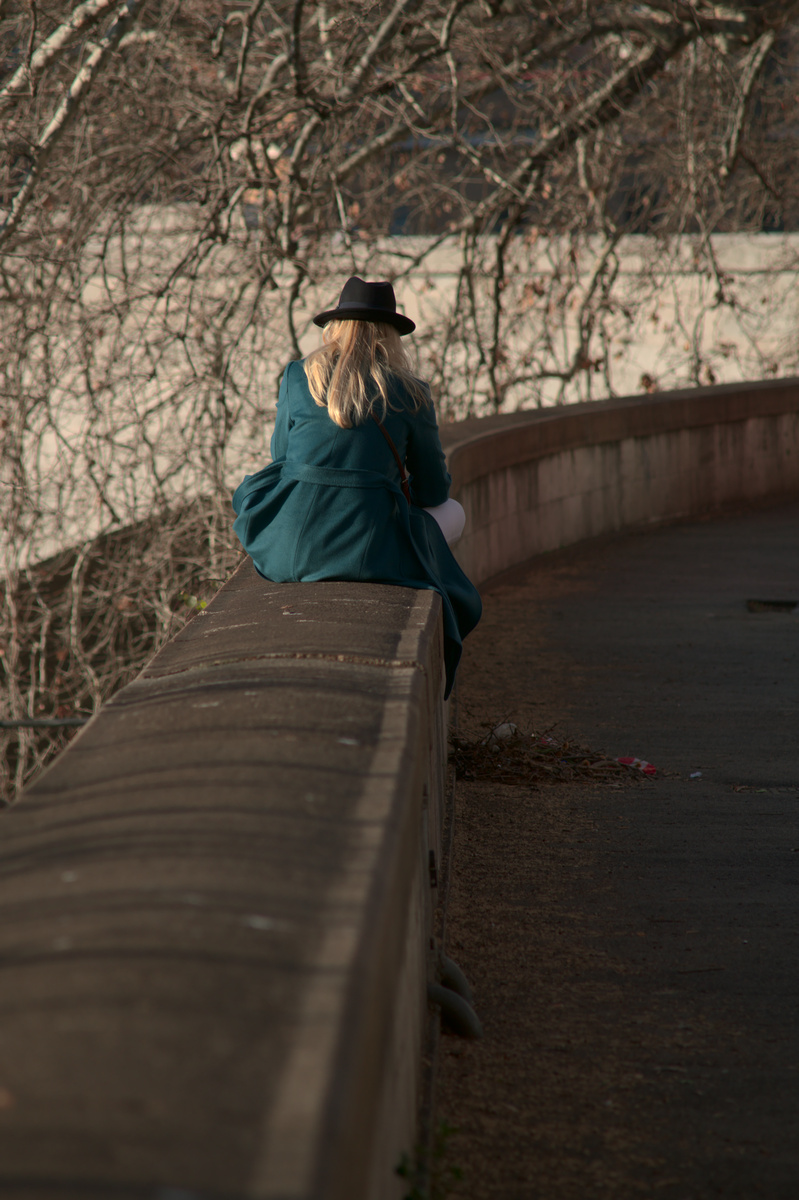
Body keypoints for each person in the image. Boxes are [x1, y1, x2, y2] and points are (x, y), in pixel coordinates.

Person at [231, 276, 481, 696]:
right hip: (368, 551)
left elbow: (282, 458)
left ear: (335, 326)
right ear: (391, 334)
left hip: (289, 548)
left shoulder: (297, 377)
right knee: (454, 512)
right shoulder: (410, 392)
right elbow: (434, 493)